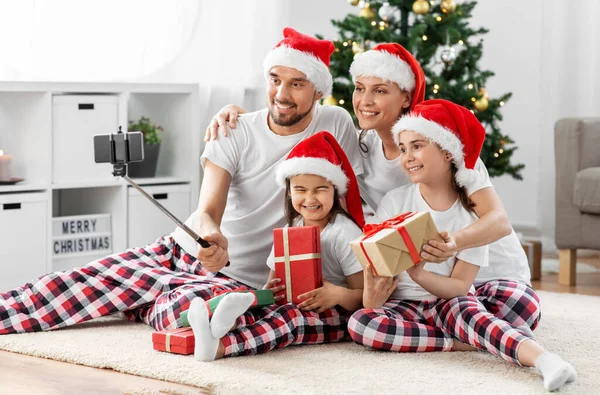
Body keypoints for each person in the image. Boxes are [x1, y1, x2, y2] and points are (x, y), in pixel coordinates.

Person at [0, 27, 363, 334]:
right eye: (275, 80)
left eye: (297, 84)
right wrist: (212, 235)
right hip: (186, 253)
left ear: (318, 91)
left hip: (239, 283)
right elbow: (208, 209)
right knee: (84, 282)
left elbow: (362, 184)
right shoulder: (235, 130)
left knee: (195, 313)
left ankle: (147, 301)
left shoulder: (336, 124)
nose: (282, 95)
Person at [205, 42, 539, 334]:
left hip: (483, 272)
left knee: (518, 309)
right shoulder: (358, 143)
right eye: (360, 88)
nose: (364, 100)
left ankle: (457, 328)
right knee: (363, 319)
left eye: (380, 90)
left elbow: (499, 221)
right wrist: (240, 116)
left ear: (406, 96)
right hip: (419, 277)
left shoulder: (441, 145)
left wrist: (454, 243)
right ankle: (456, 334)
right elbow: (295, 129)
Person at [347, 100, 576, 392]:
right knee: (361, 324)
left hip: (448, 301)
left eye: (417, 146)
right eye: (403, 149)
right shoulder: (395, 201)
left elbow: (458, 287)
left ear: (447, 152)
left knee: (469, 310)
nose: (407, 157)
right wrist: (372, 299)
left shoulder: (469, 216)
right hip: (402, 305)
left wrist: (420, 275)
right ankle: (460, 342)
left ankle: (544, 360)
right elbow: (374, 273)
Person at [187, 131, 365, 361]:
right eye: (300, 190)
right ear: (289, 193)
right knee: (259, 304)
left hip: (338, 315)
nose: (310, 199)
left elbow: (362, 297)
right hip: (297, 304)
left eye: (320, 189)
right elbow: (274, 282)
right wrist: (270, 290)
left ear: (335, 191)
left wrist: (337, 295)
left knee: (289, 318)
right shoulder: (292, 229)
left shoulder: (345, 232)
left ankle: (220, 347)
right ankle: (221, 325)